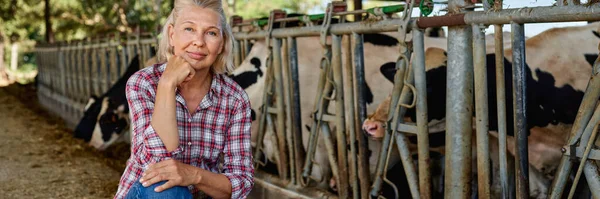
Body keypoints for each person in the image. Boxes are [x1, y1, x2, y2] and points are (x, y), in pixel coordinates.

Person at [114, 0, 254, 198]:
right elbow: (156, 166)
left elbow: (242, 181)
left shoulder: (235, 98)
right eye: (189, 29)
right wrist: (167, 85)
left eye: (211, 33)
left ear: (221, 44)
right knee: (167, 191)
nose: (198, 41)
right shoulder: (143, 83)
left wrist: (194, 175)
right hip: (149, 193)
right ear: (172, 35)